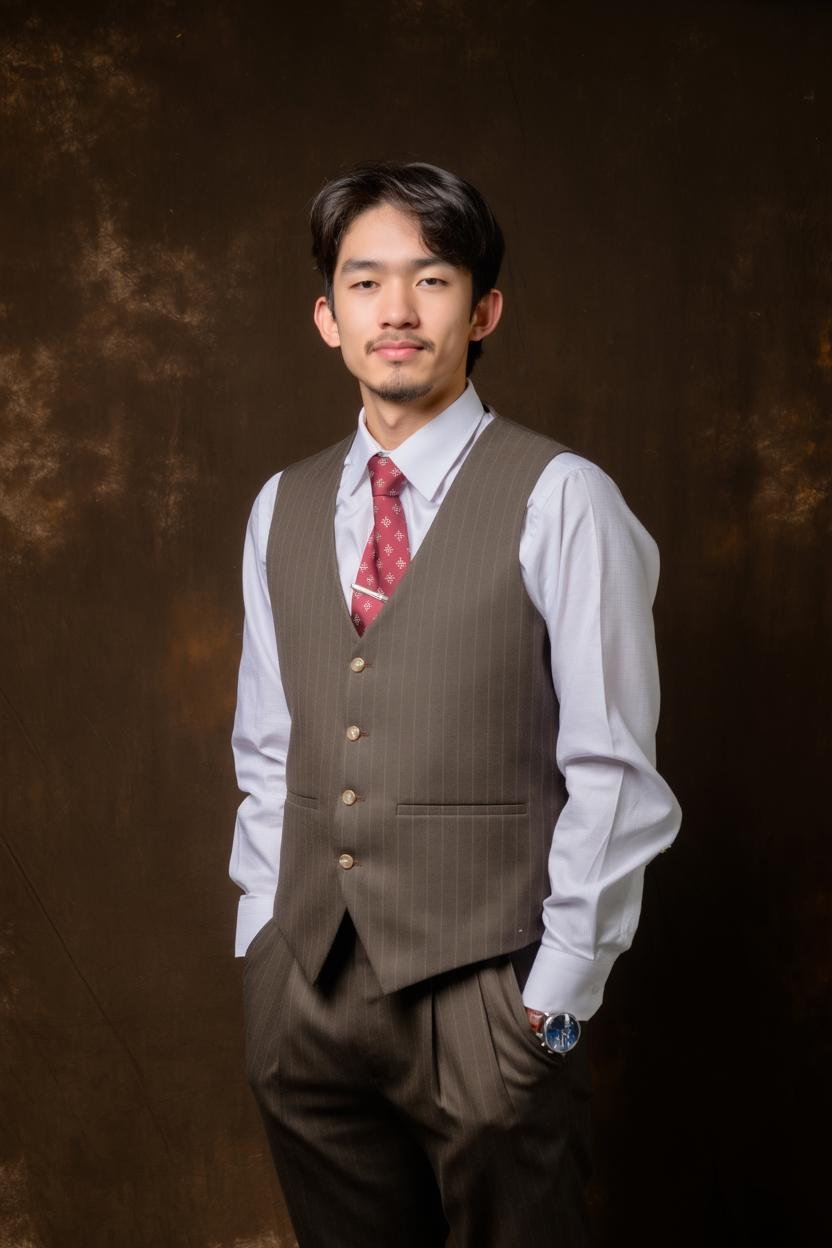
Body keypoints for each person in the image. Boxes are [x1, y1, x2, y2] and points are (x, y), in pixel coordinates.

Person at [229, 160, 682, 1247]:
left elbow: (613, 771)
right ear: (326, 317)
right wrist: (262, 944)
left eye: (429, 281)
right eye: (365, 281)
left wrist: (553, 1000)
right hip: (308, 985)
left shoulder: (563, 496)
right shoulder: (279, 504)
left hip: (488, 991)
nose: (395, 310)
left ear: (481, 310)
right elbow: (268, 742)